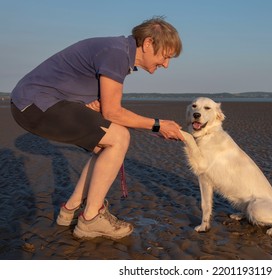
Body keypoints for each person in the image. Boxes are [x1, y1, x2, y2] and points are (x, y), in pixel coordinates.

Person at [10, 16, 184, 240]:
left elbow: (106, 109)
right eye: (165, 56)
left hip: (38, 103)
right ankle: (91, 218)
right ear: (148, 43)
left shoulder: (118, 51)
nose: (166, 64)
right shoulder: (117, 53)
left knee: (106, 144)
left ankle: (71, 210)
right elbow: (113, 113)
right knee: (119, 137)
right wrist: (158, 125)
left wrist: (89, 104)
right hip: (33, 104)